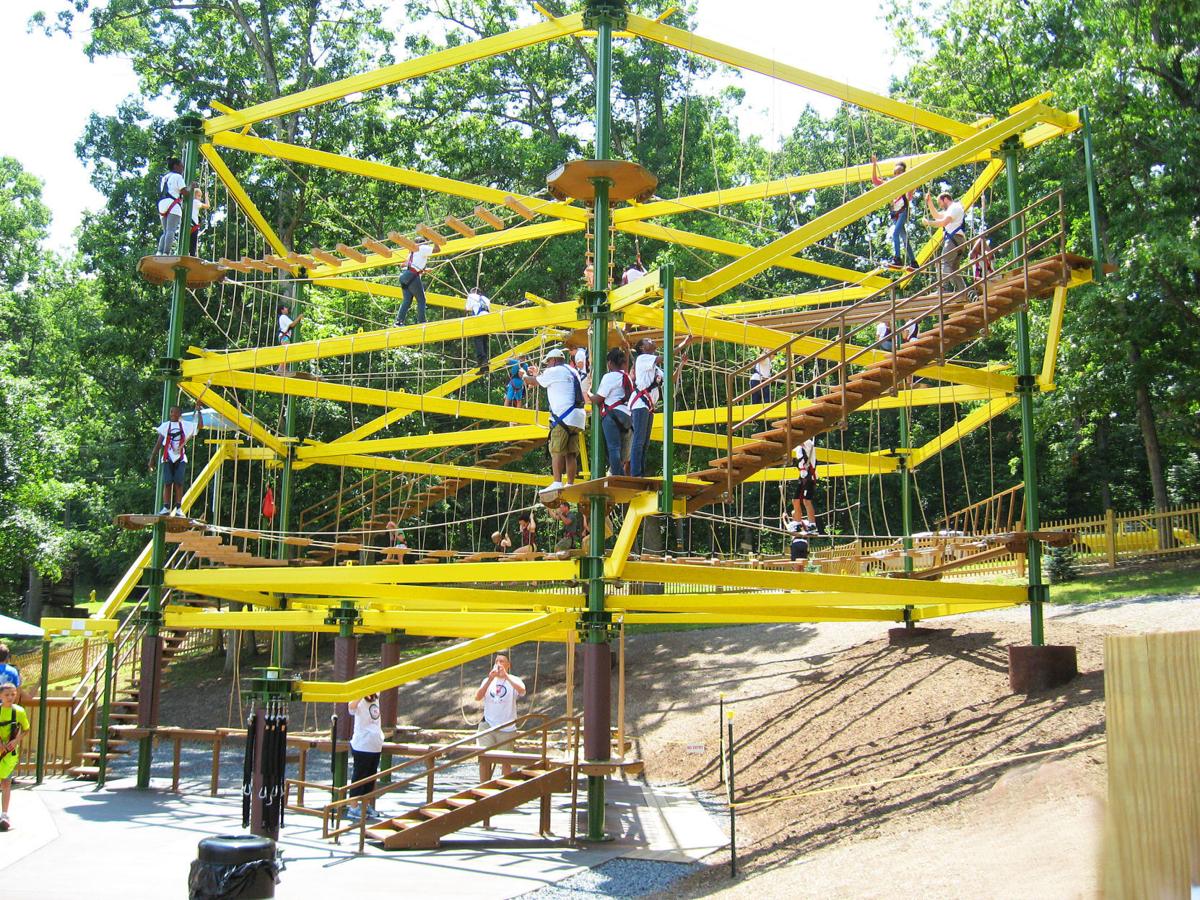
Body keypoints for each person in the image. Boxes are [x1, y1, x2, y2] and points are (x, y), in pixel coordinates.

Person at [525, 349, 586, 492]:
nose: (547, 366)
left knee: (556, 450)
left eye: (548, 363)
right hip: (577, 418)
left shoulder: (554, 371)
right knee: (571, 452)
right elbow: (548, 380)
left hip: (563, 417)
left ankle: (557, 481)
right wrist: (537, 374)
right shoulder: (572, 370)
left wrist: (523, 377)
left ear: (552, 360)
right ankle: (570, 483)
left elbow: (534, 382)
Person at [474, 654, 526, 782]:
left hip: (507, 727)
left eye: (502, 661)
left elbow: (522, 691)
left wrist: (506, 676)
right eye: (496, 661)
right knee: (484, 758)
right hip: (488, 724)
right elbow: (478, 697)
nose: (498, 664)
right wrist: (490, 679)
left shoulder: (514, 679)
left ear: (508, 665)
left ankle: (504, 787)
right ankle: (483, 784)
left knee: (505, 761)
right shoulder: (487, 680)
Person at [149, 401, 203, 515]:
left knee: (179, 483)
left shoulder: (184, 425)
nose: (172, 414)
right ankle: (166, 507)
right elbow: (159, 443)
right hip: (167, 457)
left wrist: (198, 411)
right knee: (167, 483)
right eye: (171, 412)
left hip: (180, 457)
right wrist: (152, 457)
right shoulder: (165, 426)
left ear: (180, 414)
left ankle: (179, 508)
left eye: (175, 412)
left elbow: (200, 426)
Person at [590, 347, 633, 477]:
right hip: (627, 416)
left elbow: (599, 399)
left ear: (609, 363)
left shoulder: (609, 377)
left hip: (613, 415)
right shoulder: (627, 377)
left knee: (613, 448)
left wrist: (588, 393)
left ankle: (618, 476)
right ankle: (620, 474)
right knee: (623, 452)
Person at [871, 154, 917, 267]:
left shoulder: (906, 184)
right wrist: (874, 165)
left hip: (902, 211)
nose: (896, 175)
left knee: (896, 233)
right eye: (895, 173)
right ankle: (913, 261)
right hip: (895, 214)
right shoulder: (890, 185)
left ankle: (897, 258)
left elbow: (910, 193)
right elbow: (875, 181)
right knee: (904, 237)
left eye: (899, 173)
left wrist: (911, 179)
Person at [345, 692, 384, 820]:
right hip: (362, 744)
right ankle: (353, 806)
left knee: (370, 778)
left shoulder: (376, 697)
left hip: (375, 744)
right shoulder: (359, 698)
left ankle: (365, 805)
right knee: (359, 776)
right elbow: (351, 707)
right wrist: (362, 692)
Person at [628, 339, 664, 478]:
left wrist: (681, 366)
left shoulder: (655, 369)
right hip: (640, 405)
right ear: (642, 347)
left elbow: (670, 380)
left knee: (645, 442)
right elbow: (664, 357)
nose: (652, 341)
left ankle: (640, 472)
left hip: (647, 406)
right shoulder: (642, 359)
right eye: (648, 341)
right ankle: (636, 473)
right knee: (639, 440)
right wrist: (683, 344)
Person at [922, 190, 969, 295]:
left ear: (945, 199)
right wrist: (930, 202)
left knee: (944, 262)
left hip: (954, 239)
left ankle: (942, 288)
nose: (940, 206)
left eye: (940, 203)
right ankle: (963, 290)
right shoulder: (952, 209)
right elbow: (937, 216)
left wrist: (928, 223)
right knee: (953, 268)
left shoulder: (954, 208)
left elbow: (943, 222)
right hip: (957, 240)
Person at [0, 683, 28, 832]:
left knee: (6, 783)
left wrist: (16, 740)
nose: (10, 697)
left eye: (13, 694)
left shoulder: (19, 711)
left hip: (9, 754)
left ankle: (4, 814)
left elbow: (26, 728)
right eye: (7, 695)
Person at [156, 157, 192, 255]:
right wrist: (191, 187)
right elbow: (185, 192)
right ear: (176, 166)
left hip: (162, 204)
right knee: (171, 230)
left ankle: (159, 251)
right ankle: (166, 252)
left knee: (165, 231)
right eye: (181, 166)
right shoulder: (178, 177)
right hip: (173, 204)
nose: (182, 169)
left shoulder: (165, 177)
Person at [394, 238, 433, 326]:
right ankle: (422, 321)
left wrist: (424, 270)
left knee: (407, 300)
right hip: (412, 276)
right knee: (421, 300)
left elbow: (407, 265)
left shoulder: (412, 253)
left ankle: (399, 321)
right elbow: (437, 250)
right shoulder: (422, 248)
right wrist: (436, 241)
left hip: (404, 276)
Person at [791, 438, 821, 534]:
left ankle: (812, 525)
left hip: (810, 476)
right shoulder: (798, 448)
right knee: (795, 500)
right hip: (803, 476)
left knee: (806, 501)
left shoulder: (808, 444)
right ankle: (798, 523)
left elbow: (802, 441)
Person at [466, 286, 491, 370]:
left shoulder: (471, 296)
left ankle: (482, 359)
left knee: (478, 339)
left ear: (473, 292)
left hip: (479, 319)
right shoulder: (486, 299)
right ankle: (484, 366)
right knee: (484, 340)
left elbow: (467, 308)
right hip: (487, 319)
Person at [276, 302, 303, 375]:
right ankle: (281, 369)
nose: (287, 309)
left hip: (284, 336)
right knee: (286, 352)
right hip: (284, 337)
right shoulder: (283, 317)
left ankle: (281, 368)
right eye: (285, 308)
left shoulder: (282, 317)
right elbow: (293, 324)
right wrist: (299, 317)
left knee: (286, 352)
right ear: (282, 310)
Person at [188, 187, 210, 256]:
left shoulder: (188, 201)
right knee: (193, 242)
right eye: (199, 196)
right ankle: (192, 254)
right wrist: (206, 197)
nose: (200, 198)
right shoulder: (196, 202)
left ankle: (188, 253)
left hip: (188, 224)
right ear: (194, 195)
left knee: (188, 241)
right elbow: (207, 206)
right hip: (194, 225)